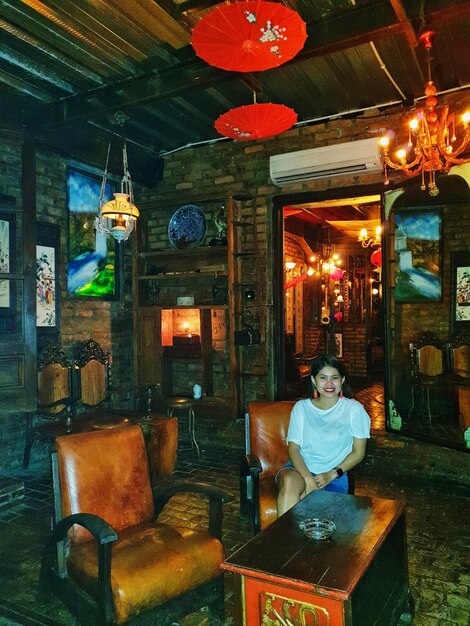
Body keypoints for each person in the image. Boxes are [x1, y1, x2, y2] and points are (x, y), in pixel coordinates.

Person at [276, 354, 370, 516]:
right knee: (290, 482)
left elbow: (358, 452)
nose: (329, 383)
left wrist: (332, 473)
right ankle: (283, 539)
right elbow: (293, 449)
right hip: (298, 470)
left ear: (342, 380)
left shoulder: (354, 410)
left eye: (334, 378)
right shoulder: (301, 408)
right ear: (313, 380)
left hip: (334, 476)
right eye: (323, 378)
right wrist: (308, 480)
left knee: (310, 510)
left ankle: (291, 538)